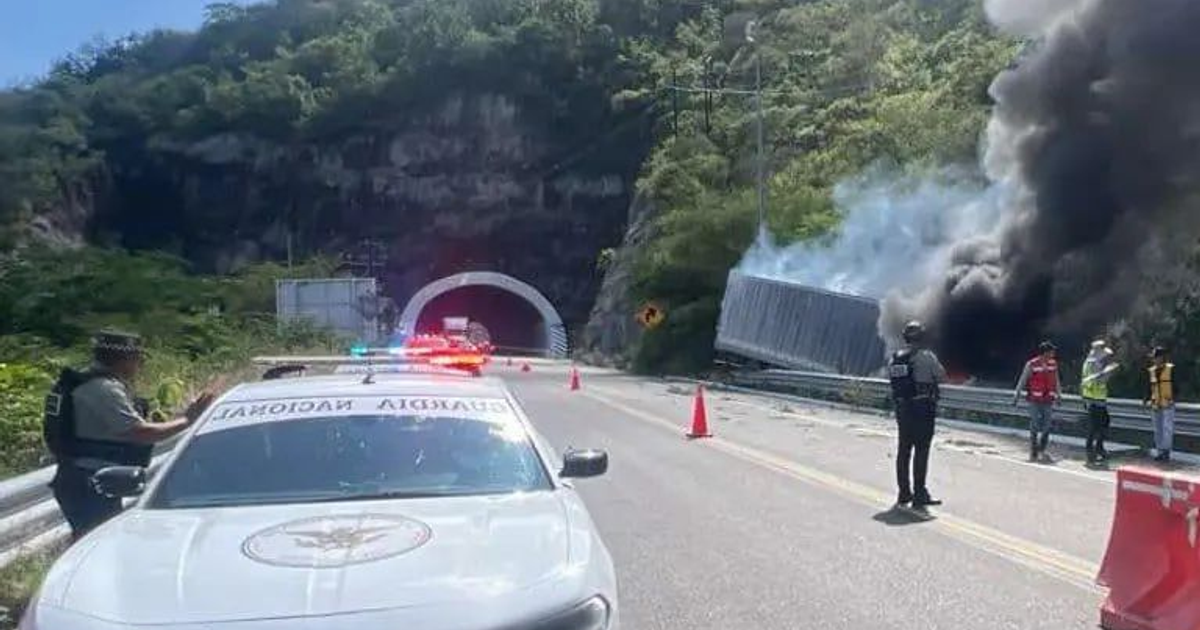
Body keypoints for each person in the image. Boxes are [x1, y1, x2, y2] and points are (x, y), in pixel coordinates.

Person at [47, 331, 214, 540]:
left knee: (96, 543)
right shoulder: (102, 389)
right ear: (125, 360)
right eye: (138, 358)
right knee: (100, 547)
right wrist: (188, 420)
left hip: (85, 478)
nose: (140, 364)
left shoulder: (87, 382)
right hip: (90, 483)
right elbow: (140, 433)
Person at [887, 320, 947, 509]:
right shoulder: (926, 356)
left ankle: (904, 493)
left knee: (904, 450)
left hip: (903, 410)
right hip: (922, 408)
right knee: (921, 450)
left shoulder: (895, 357)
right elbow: (941, 376)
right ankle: (919, 493)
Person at [1013, 341, 1062, 462]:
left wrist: (1059, 394)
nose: (1053, 353)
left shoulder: (1053, 364)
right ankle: (1034, 451)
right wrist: (1016, 395)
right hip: (1034, 400)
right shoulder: (1032, 364)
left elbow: (1056, 380)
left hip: (1048, 399)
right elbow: (1023, 380)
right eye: (1051, 351)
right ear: (1045, 352)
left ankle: (1042, 449)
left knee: (1047, 425)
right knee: (1035, 424)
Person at [1081, 339, 1119, 464]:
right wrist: (1109, 372)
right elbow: (1100, 380)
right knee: (1095, 427)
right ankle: (1092, 451)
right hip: (1094, 399)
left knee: (1102, 424)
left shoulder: (1090, 361)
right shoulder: (1094, 363)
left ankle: (1097, 448)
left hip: (1096, 398)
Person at [1145, 346, 1176, 462]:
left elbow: (1176, 385)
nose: (1154, 360)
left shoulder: (1170, 369)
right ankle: (1159, 451)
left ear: (1162, 358)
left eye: (1156, 357)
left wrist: (1174, 398)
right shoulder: (1151, 370)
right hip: (1156, 403)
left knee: (1167, 428)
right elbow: (1150, 386)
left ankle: (1166, 452)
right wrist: (1146, 398)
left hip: (1168, 402)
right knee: (1157, 429)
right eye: (1153, 358)